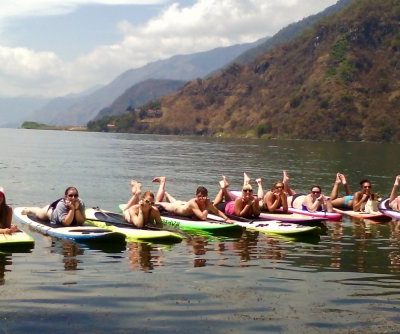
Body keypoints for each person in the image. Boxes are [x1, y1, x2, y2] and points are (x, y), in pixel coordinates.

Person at [154, 176, 232, 222]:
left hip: (182, 204)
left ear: (207, 196)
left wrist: (227, 219)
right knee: (157, 202)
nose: (201, 198)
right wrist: (207, 207)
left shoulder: (207, 201)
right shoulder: (193, 203)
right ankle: (162, 181)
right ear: (196, 196)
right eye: (199, 196)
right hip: (176, 208)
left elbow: (217, 211)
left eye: (203, 196)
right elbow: (203, 217)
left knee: (175, 201)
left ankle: (166, 194)